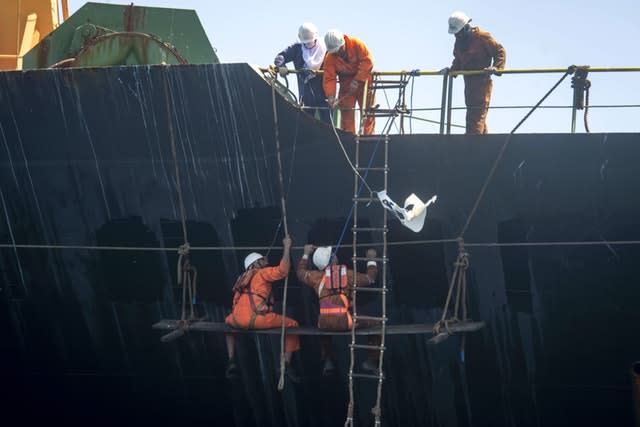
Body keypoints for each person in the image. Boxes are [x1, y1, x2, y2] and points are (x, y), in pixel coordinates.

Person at [296, 244, 381, 376]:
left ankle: (328, 360)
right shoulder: (347, 275)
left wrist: (306, 253)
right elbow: (370, 278)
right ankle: (372, 361)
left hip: (323, 324)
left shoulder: (315, 277)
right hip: (344, 322)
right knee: (376, 324)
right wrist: (371, 259)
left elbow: (300, 273)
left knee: (325, 330)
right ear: (332, 260)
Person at [224, 236, 301, 381]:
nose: (266, 260)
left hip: (235, 318)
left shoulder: (242, 278)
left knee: (227, 326)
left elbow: (235, 301)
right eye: (262, 260)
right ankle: (286, 364)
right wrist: (286, 247)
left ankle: (231, 359)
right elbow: (283, 271)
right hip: (255, 319)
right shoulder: (262, 273)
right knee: (293, 324)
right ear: (256, 264)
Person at [445, 11, 506, 134]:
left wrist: (496, 67)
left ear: (465, 28)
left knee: (476, 115)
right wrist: (451, 71)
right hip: (469, 84)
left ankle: (472, 143)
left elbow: (499, 50)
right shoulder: (459, 43)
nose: (456, 36)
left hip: (482, 83)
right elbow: (458, 60)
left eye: (458, 33)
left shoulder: (482, 37)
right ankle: (483, 144)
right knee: (477, 115)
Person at [274, 22, 331, 124]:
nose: (308, 44)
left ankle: (331, 138)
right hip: (306, 93)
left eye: (311, 42)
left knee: (328, 121)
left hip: (324, 92)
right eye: (306, 42)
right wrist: (282, 66)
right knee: (306, 122)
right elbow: (280, 57)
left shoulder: (325, 48)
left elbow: (335, 63)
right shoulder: (297, 48)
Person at [322, 29, 375, 135]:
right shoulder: (330, 57)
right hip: (346, 86)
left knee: (368, 113)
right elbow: (329, 78)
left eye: (339, 50)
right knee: (346, 114)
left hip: (364, 82)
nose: (337, 53)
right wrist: (331, 96)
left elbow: (368, 61)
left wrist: (357, 80)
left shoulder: (357, 44)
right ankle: (349, 139)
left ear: (343, 43)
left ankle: (369, 138)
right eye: (335, 52)